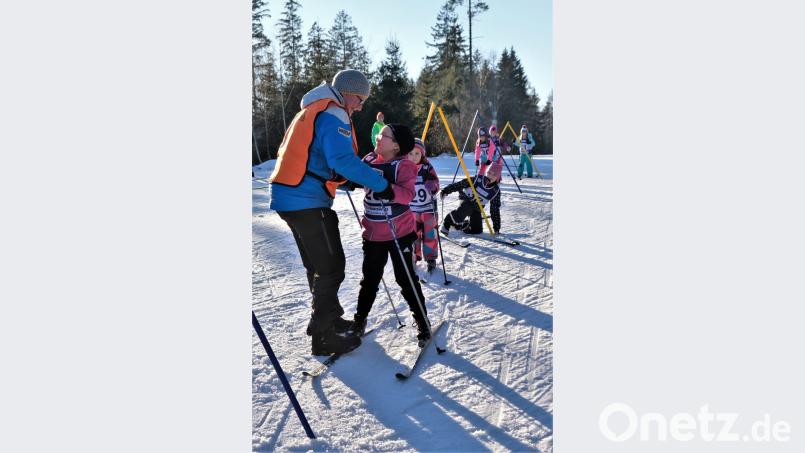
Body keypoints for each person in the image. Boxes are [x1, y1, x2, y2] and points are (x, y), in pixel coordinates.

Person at [269, 69, 396, 356]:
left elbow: (322, 157)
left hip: (291, 195)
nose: (361, 106)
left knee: (318, 266)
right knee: (331, 266)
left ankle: (330, 317)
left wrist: (343, 176)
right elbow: (342, 159)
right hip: (305, 200)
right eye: (361, 99)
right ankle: (323, 336)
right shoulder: (334, 112)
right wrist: (381, 184)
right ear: (349, 93)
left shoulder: (316, 108)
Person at [350, 124, 433, 347]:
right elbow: (355, 176)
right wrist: (347, 179)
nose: (378, 137)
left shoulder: (404, 165)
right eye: (379, 134)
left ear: (396, 145)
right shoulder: (369, 159)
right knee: (370, 279)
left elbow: (407, 196)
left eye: (384, 135)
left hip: (400, 233)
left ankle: (423, 321)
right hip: (373, 233)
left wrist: (387, 189)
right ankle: (359, 321)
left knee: (405, 278)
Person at [440, 162, 502, 235]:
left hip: (477, 207)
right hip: (466, 200)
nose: (490, 176)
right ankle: (447, 222)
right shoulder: (477, 180)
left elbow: (495, 209)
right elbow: (460, 184)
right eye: (489, 173)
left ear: (497, 177)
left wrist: (496, 227)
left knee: (477, 231)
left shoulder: (495, 191)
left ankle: (464, 225)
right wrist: (446, 191)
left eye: (494, 174)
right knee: (468, 207)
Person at [407, 138, 440, 273]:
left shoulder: (427, 167)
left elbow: (436, 183)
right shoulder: (405, 168)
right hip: (412, 210)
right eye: (410, 153)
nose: (413, 157)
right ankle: (415, 255)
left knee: (430, 234)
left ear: (422, 154)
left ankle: (430, 257)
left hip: (428, 209)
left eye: (417, 153)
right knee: (413, 235)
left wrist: (433, 186)